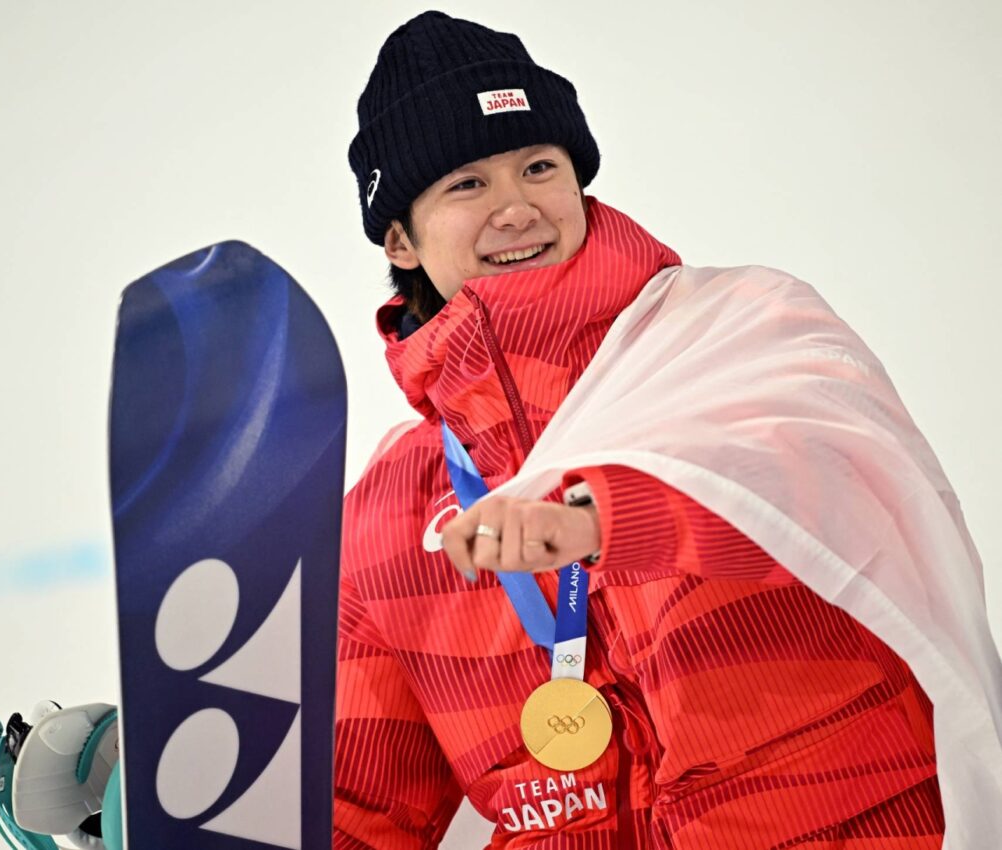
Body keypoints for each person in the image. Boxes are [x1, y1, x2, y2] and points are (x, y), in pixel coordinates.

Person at [336, 10, 1002, 849]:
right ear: (400, 238)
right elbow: (359, 803)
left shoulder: (725, 328)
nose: (516, 208)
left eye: (539, 167)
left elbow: (825, 492)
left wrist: (599, 519)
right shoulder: (395, 511)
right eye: (467, 184)